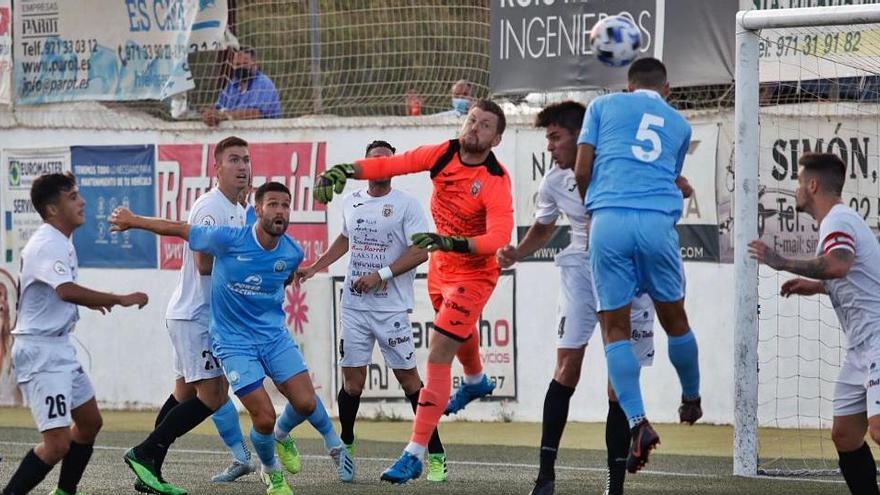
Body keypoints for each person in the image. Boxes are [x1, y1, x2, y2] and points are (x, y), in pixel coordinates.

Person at [314, 99, 514, 484]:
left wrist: (450, 243)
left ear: (497, 138)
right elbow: (392, 163)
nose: (474, 128)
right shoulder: (443, 153)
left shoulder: (494, 179)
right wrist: (345, 170)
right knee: (457, 334)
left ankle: (416, 453)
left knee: (438, 351)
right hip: (440, 269)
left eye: (484, 125)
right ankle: (475, 380)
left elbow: (499, 238)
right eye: (472, 120)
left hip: (472, 272)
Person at [110, 182, 354, 495]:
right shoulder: (229, 239)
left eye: (285, 205)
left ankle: (150, 459)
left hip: (273, 337)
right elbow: (180, 229)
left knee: (304, 401)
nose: (280, 211)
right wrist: (133, 220)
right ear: (257, 211)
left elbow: (281, 277)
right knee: (254, 414)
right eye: (273, 204)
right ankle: (270, 471)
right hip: (233, 341)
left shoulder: (293, 252)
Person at [496, 101, 666, 495]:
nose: (550, 146)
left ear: (581, 136)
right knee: (566, 367)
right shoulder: (553, 181)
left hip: (626, 275)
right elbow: (542, 228)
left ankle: (615, 483)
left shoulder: (619, 166)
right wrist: (517, 252)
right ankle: (545, 474)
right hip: (579, 272)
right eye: (548, 138)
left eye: (556, 137)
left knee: (617, 381)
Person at [574, 57, 702, 473]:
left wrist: (594, 208)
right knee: (675, 319)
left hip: (609, 219)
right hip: (655, 223)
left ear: (629, 87)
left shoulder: (601, 107)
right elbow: (669, 176)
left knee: (615, 327)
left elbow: (582, 168)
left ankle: (638, 422)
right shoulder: (680, 126)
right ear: (667, 89)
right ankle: (692, 397)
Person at [294, 140, 448, 481]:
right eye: (374, 160)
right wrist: (315, 266)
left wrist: (380, 275)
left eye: (387, 161)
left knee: (410, 381)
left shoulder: (406, 205)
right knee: (353, 383)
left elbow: (421, 252)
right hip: (354, 306)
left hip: (390, 307)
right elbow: (345, 239)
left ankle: (434, 451)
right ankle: (346, 444)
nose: (380, 166)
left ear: (394, 167)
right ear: (365, 165)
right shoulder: (352, 201)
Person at [117, 137, 253, 495]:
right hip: (196, 317)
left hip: (195, 315)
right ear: (217, 168)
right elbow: (204, 263)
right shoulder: (211, 208)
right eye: (234, 160)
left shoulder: (237, 207)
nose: (242, 166)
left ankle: (149, 470)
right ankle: (145, 453)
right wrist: (250, 263)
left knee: (183, 395)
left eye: (246, 160)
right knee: (213, 396)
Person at [2, 173, 148, 495]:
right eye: (73, 196)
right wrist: (117, 299)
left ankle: (65, 491)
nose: (82, 202)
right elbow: (66, 291)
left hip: (58, 347)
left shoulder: (60, 239)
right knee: (56, 444)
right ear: (53, 209)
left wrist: (88, 305)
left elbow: (60, 294)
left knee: (90, 422)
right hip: (40, 353)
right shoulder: (47, 243)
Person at [749, 153, 880, 495]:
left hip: (878, 338)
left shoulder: (837, 221)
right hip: (861, 347)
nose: (795, 190)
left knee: (879, 429)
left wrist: (782, 262)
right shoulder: (837, 221)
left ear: (812, 185)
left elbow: (838, 265)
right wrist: (818, 286)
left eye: (798, 181)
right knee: (845, 435)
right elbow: (852, 276)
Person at [202, 46, 281, 127]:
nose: (241, 67)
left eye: (245, 63)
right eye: (237, 64)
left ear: (254, 63)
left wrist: (224, 115)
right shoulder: (231, 85)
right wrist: (210, 114)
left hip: (264, 134)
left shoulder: (263, 83)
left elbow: (256, 113)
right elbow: (218, 107)